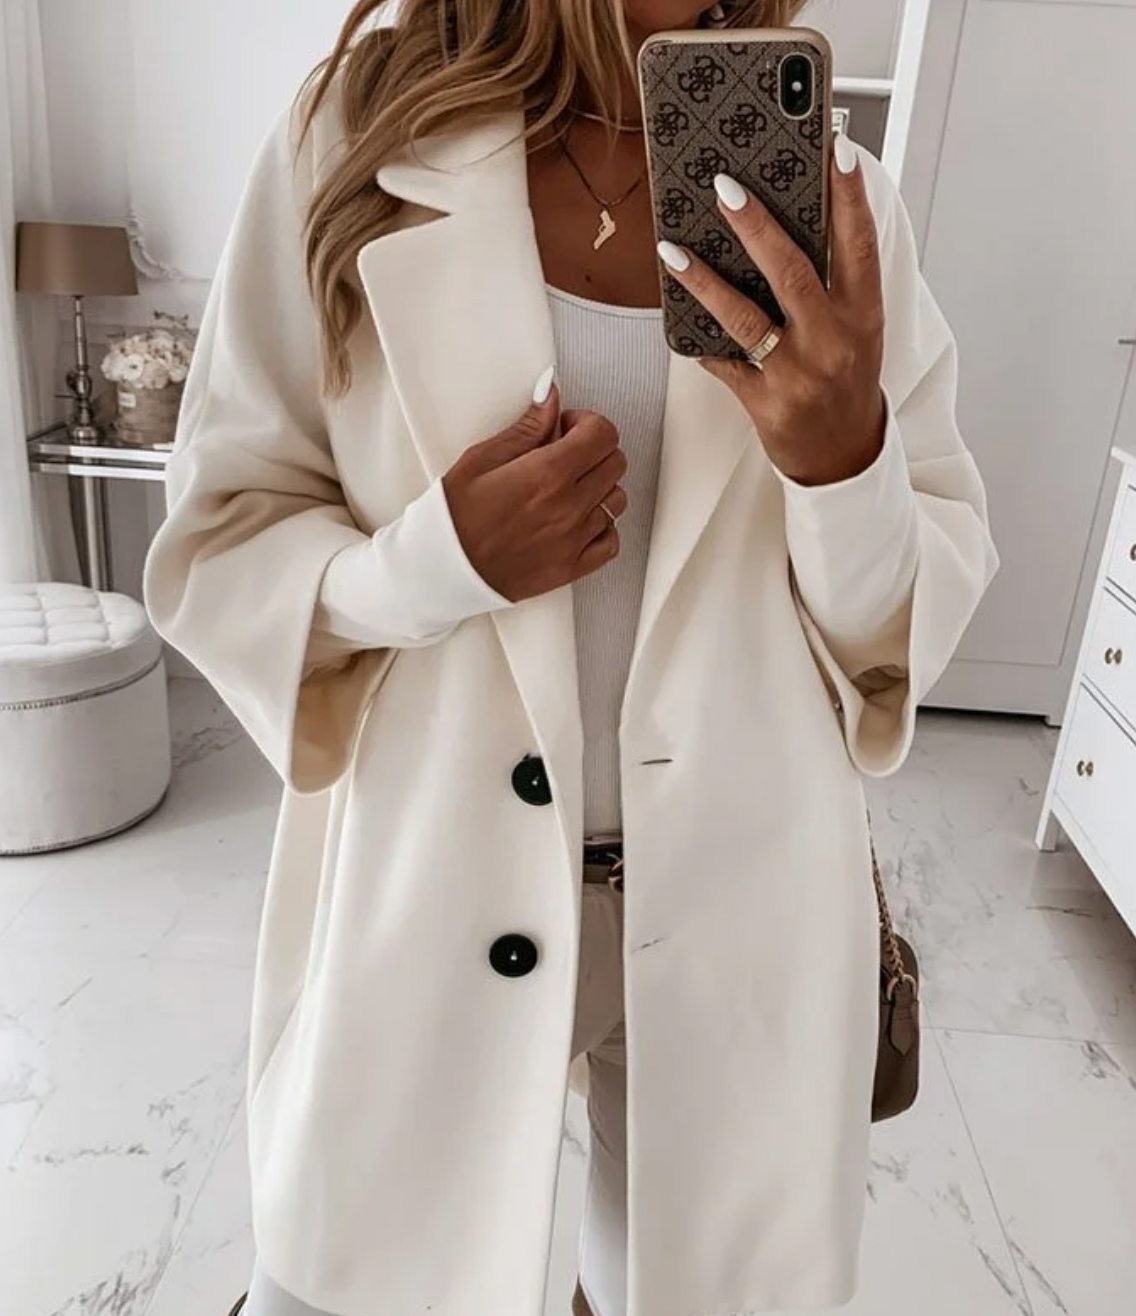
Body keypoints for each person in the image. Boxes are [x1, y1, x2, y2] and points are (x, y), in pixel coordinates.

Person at [143, 0, 998, 1312]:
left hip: (744, 894)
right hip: (435, 867)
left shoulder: (840, 204)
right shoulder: (356, 137)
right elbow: (221, 540)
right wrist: (438, 563)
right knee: (360, 1273)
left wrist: (845, 466)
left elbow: (897, 631)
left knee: (699, 1285)